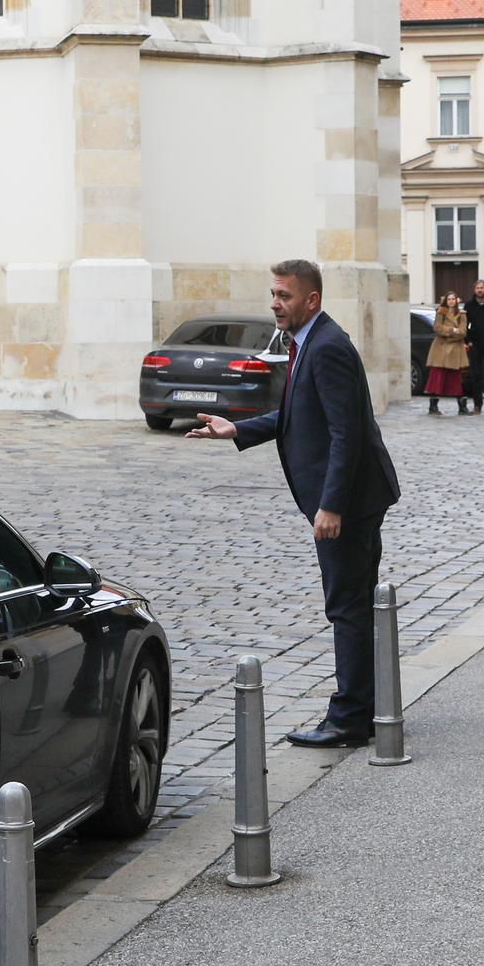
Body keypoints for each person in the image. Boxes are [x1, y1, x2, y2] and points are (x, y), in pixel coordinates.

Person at [187, 259, 399, 747]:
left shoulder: (326, 347)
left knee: (345, 608)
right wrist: (237, 428)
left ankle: (349, 720)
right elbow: (299, 411)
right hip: (353, 497)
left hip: (350, 502)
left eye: (284, 295)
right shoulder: (309, 341)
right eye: (273, 294)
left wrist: (332, 505)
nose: (275, 303)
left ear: (312, 300)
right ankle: (363, 710)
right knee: (353, 606)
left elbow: (347, 434)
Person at [424, 291, 469, 415]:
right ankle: (433, 406)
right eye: (449, 299)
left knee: (455, 379)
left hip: (455, 350)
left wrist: (451, 334)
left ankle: (462, 407)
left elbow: (463, 332)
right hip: (441, 350)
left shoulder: (462, 315)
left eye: (453, 299)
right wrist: (453, 330)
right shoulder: (441, 313)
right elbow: (438, 328)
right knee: (437, 378)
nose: (451, 301)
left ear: (456, 301)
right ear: (446, 301)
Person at [464, 280, 484, 414]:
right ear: (474, 290)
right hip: (475, 344)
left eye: (482, 288)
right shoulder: (469, 305)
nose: (480, 290)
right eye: (477, 288)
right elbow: (465, 325)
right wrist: (468, 340)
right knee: (476, 376)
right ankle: (477, 405)